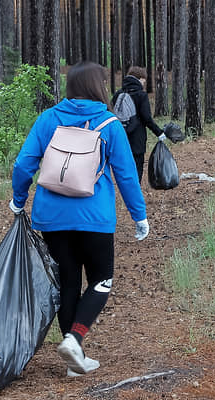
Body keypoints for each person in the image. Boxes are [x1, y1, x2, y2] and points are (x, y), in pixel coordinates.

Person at [9, 62, 149, 378]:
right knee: (102, 279)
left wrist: (18, 202)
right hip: (94, 216)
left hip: (52, 218)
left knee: (68, 282)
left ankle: (75, 360)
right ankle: (75, 339)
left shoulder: (47, 119)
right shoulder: (109, 124)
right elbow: (126, 174)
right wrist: (139, 216)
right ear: (97, 86)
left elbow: (23, 166)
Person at [112, 66, 166, 182]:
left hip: (120, 136)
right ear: (140, 79)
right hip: (137, 138)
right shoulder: (141, 95)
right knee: (137, 167)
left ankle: (125, 193)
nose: (144, 83)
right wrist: (159, 132)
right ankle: (134, 195)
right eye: (144, 80)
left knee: (124, 167)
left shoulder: (118, 94)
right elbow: (146, 118)